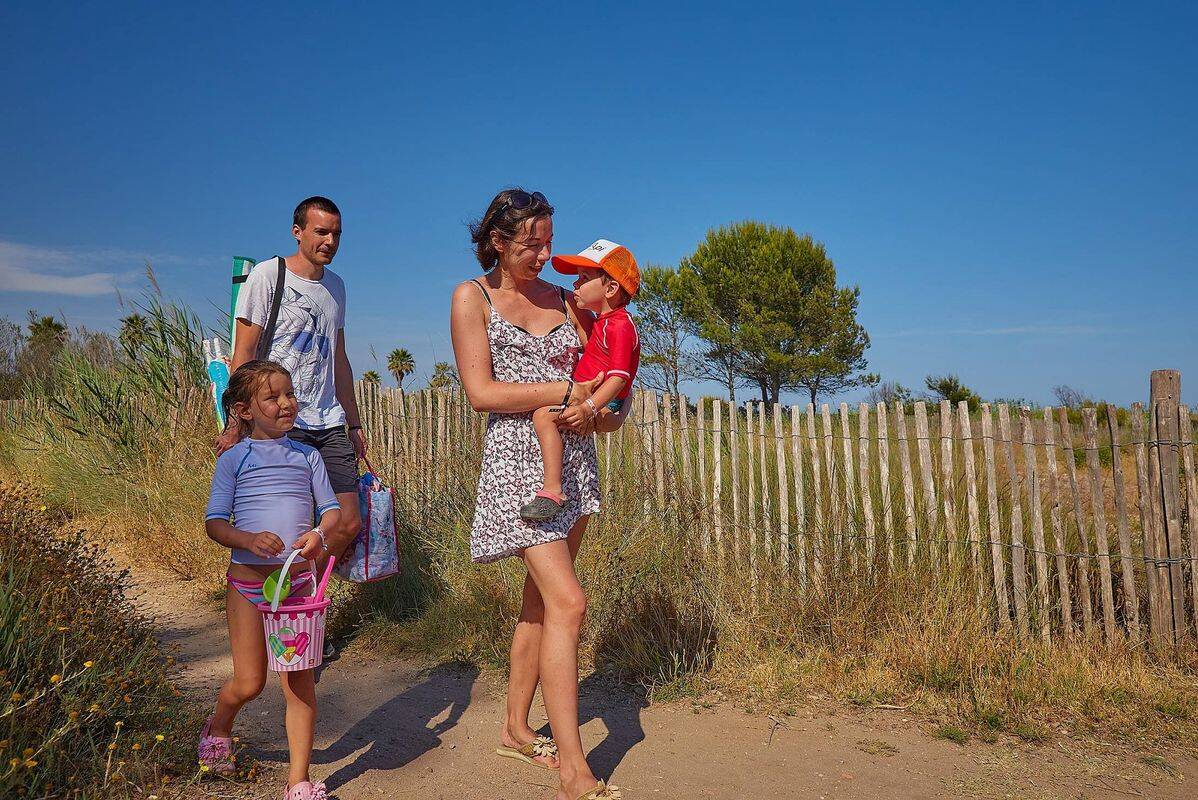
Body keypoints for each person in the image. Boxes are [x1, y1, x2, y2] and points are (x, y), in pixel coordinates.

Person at [450, 188, 624, 800]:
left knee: (540, 602)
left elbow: (605, 388)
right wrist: (560, 392)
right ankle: (574, 766)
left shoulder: (568, 301)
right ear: (498, 241)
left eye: (550, 242)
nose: (544, 254)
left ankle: (517, 727)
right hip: (517, 468)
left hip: (573, 460)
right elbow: (482, 393)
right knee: (569, 603)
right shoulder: (471, 297)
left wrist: (599, 413)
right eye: (531, 244)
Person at [200, 360, 342, 800]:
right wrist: (245, 538)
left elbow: (332, 512)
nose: (286, 404)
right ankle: (219, 726)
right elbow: (214, 523)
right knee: (249, 683)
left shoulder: (308, 456)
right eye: (272, 397)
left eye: (289, 394)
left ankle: (298, 781)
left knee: (299, 685)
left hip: (298, 591)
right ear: (244, 410)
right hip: (246, 586)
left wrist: (319, 535)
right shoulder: (234, 459)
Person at [214, 196, 364, 565]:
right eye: (321, 232)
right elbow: (244, 353)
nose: (329, 241)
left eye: (336, 234)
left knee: (347, 522)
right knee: (286, 526)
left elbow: (338, 357)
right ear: (298, 233)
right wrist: (236, 424)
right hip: (279, 418)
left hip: (327, 419)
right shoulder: (268, 275)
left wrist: (354, 421)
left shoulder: (337, 287)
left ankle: (302, 589)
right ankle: (282, 602)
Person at [521, 240, 641, 522]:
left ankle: (552, 490)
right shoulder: (605, 321)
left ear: (610, 288)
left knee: (543, 417)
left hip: (602, 401)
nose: (576, 284)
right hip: (597, 399)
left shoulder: (621, 326)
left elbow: (619, 377)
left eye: (584, 278)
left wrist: (589, 407)